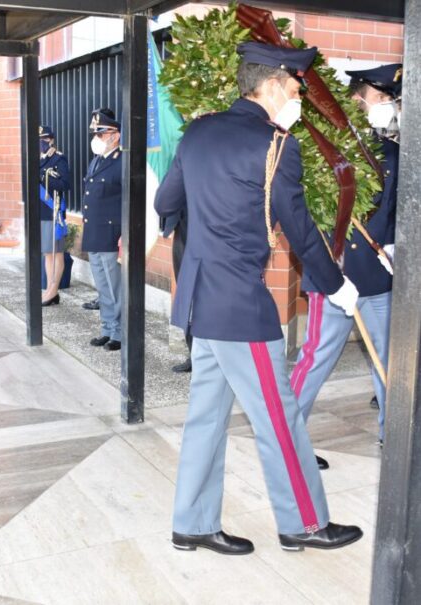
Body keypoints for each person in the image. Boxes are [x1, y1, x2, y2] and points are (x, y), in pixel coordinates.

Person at [155, 42, 363, 555]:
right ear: (271, 85)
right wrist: (336, 285)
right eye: (295, 88)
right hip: (240, 306)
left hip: (201, 298)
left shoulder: (198, 131)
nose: (297, 98)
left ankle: (194, 523)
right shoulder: (274, 145)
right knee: (279, 417)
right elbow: (300, 229)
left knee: (207, 414)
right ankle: (305, 523)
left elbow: (165, 203)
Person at [292, 64, 401, 452]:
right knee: (317, 358)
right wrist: (330, 273)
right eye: (381, 98)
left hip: (378, 276)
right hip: (336, 276)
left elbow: (392, 211)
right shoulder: (323, 147)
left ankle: (395, 438)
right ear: (356, 99)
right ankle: (290, 441)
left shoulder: (391, 151)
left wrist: (391, 247)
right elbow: (309, 213)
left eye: (391, 99)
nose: (388, 106)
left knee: (390, 361)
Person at [82, 108, 123, 351]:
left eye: (101, 133)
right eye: (95, 133)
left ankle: (119, 333)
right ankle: (107, 329)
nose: (96, 138)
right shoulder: (97, 160)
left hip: (111, 235)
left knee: (114, 288)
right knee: (103, 288)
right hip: (94, 233)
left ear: (115, 135)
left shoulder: (122, 162)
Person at [38, 126, 72, 306]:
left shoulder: (59, 159)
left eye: (44, 139)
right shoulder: (36, 159)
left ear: (51, 140)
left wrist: (43, 175)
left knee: (56, 252)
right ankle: (49, 289)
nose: (41, 143)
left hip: (53, 211)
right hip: (40, 212)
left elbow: (64, 184)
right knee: (47, 253)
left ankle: (53, 289)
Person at [162, 207, 192, 373]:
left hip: (209, 228)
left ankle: (206, 356)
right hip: (184, 227)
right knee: (187, 296)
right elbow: (163, 202)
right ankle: (194, 354)